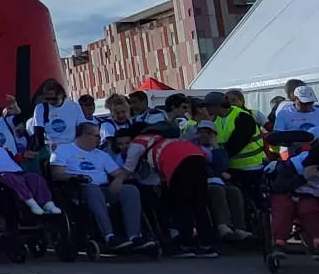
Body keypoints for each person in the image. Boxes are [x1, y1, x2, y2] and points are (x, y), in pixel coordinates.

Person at [119, 126, 219, 257]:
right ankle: (207, 244)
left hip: (179, 164)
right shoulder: (165, 140)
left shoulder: (138, 142)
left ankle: (186, 244)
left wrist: (117, 180)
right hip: (198, 157)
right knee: (199, 204)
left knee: (181, 205)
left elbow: (128, 168)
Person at [48, 122, 145, 252]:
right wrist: (78, 177)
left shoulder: (101, 154)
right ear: (84, 135)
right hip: (78, 189)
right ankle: (109, 236)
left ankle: (134, 236)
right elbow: (57, 174)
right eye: (96, 136)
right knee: (92, 188)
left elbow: (118, 173)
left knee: (130, 190)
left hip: (103, 189)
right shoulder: (64, 150)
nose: (99, 139)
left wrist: (119, 179)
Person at [195, 91, 266, 223]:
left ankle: (254, 224)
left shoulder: (242, 117)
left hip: (250, 166)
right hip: (229, 167)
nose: (206, 110)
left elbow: (236, 144)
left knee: (250, 199)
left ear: (216, 106)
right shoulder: (214, 119)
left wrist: (219, 158)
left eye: (208, 106)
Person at [270, 140, 319, 256]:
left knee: (309, 209)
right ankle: (279, 242)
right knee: (284, 208)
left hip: (312, 196)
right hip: (288, 193)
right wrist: (303, 177)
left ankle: (317, 241)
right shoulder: (294, 164)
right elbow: (279, 186)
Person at [0, 130, 58, 216]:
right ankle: (31, 203)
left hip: (18, 173)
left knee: (35, 177)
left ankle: (48, 204)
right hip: (0, 177)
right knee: (11, 178)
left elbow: (14, 158)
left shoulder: (3, 150)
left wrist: (23, 155)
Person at [27, 79, 85, 151]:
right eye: (48, 99)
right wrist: (43, 150)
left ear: (61, 94)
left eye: (54, 99)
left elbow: (82, 128)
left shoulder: (74, 107)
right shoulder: (41, 108)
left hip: (72, 147)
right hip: (51, 149)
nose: (51, 101)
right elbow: (38, 132)